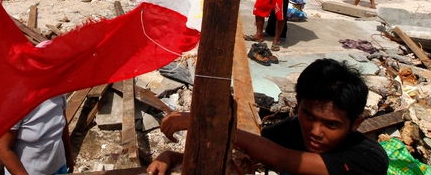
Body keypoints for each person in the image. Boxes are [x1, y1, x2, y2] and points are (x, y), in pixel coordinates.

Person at [147, 59, 389, 175]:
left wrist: (207, 123)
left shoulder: (368, 159)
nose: (315, 131)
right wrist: (173, 157)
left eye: (332, 124)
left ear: (356, 123)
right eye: (308, 115)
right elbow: (250, 149)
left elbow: (283, 159)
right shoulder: (294, 129)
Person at [0, 95, 74, 175]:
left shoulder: (58, 93)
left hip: (58, 167)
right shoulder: (14, 103)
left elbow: (62, 125)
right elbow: (4, 149)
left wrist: (68, 154)